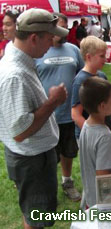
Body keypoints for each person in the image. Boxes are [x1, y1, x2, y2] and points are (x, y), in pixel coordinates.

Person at [0, 8, 68, 228]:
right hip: (32, 160)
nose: (52, 43)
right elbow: (20, 132)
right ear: (33, 38)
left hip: (33, 157)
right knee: (37, 217)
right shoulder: (15, 74)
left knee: (32, 211)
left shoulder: (19, 58)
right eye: (49, 38)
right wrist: (52, 102)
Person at [35, 12, 84, 202]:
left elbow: (82, 75)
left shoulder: (73, 50)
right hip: (46, 115)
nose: (64, 31)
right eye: (60, 27)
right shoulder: (40, 52)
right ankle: (48, 186)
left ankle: (67, 181)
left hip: (69, 113)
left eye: (66, 27)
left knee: (68, 150)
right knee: (47, 154)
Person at [79, 76, 111, 208]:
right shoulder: (104, 136)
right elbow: (103, 176)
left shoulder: (86, 126)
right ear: (102, 106)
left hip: (91, 199)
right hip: (105, 202)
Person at [71, 36, 111, 141]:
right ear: (89, 57)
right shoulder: (80, 81)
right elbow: (75, 114)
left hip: (103, 130)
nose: (105, 59)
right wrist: (92, 133)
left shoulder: (101, 75)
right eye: (102, 56)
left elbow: (107, 101)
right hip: (90, 136)